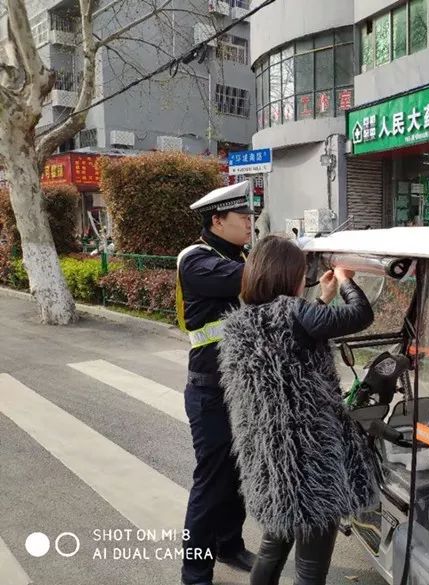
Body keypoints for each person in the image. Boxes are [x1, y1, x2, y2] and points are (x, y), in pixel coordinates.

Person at [218, 236, 378, 585]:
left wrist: (323, 298)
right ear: (288, 275)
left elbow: (295, 336)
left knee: (272, 551)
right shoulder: (296, 313)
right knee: (309, 571)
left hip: (273, 464)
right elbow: (361, 315)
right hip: (311, 464)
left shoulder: (241, 324)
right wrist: (346, 278)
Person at [177, 181, 257, 585]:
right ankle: (195, 571)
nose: (250, 224)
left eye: (251, 218)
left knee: (239, 475)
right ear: (217, 220)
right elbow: (250, 279)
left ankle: (230, 544)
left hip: (240, 388)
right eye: (243, 218)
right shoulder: (197, 260)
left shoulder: (238, 255)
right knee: (211, 483)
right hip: (209, 390)